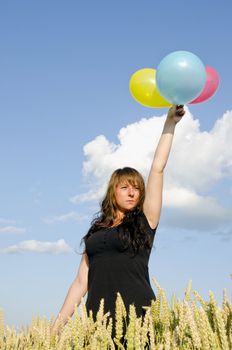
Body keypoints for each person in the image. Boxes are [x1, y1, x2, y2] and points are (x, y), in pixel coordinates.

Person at [51, 105, 185, 343]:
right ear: (113, 192)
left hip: (138, 319)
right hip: (98, 323)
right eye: (125, 187)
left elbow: (157, 168)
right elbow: (81, 281)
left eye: (136, 188)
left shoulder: (145, 222)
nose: (132, 192)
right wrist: (57, 325)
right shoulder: (96, 232)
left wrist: (170, 123)